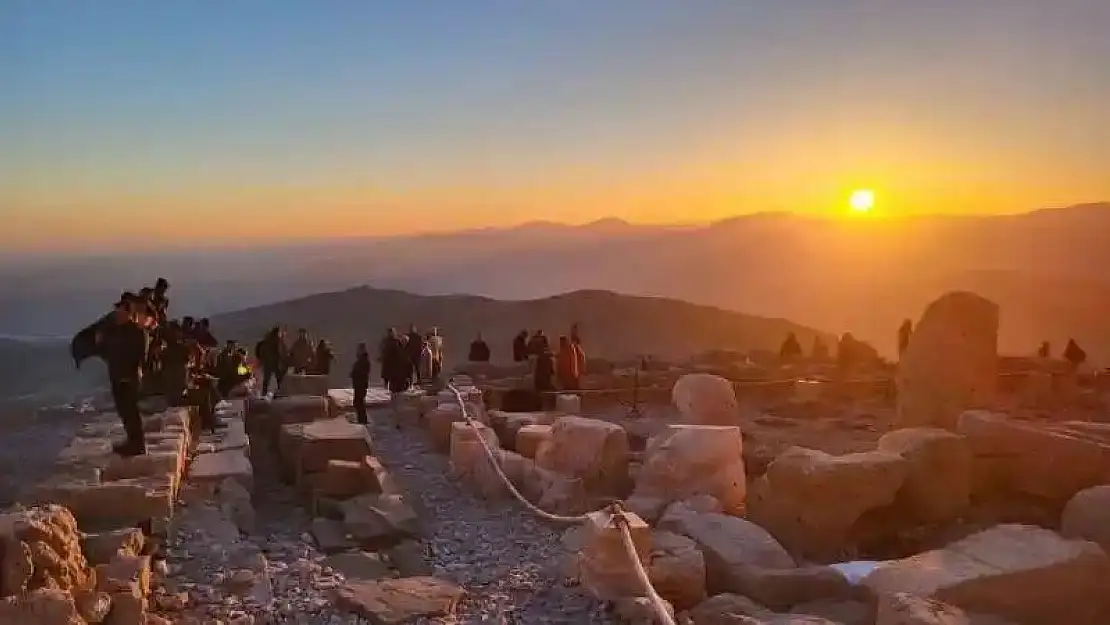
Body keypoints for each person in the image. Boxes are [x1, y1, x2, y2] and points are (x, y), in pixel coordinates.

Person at [98, 297, 149, 456]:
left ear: (128, 313)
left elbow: (140, 356)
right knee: (123, 411)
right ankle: (131, 440)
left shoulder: (136, 332)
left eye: (120, 311)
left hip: (129, 377)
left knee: (131, 411)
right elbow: (106, 353)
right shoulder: (114, 331)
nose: (117, 315)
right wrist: (101, 343)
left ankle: (138, 444)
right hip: (116, 376)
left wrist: (129, 373)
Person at [255, 326, 288, 395]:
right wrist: (283, 359)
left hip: (267, 362)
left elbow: (260, 352)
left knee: (267, 379)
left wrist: (261, 360)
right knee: (279, 378)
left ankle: (264, 393)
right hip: (274, 362)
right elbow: (279, 351)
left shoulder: (266, 340)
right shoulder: (276, 340)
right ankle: (280, 391)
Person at [351, 343, 372, 424]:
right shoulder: (361, 361)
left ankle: (362, 419)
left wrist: (354, 374)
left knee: (359, 402)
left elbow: (362, 372)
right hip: (359, 384)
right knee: (358, 402)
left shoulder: (363, 361)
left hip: (361, 384)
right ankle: (361, 419)